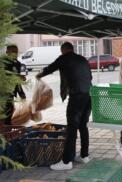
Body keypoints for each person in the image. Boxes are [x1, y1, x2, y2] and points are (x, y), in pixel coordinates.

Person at [36, 42, 92, 170]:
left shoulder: (64, 58)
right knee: (83, 126)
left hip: (77, 97)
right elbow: (90, 76)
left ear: (63, 50)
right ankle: (84, 156)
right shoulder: (82, 59)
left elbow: (50, 68)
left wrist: (38, 75)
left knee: (71, 128)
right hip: (88, 96)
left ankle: (67, 161)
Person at [0, 45, 26, 125]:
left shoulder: (18, 63)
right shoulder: (2, 63)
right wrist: (18, 77)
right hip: (2, 92)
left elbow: (17, 81)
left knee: (9, 113)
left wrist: (21, 93)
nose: (15, 54)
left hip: (11, 93)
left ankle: (6, 131)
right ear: (7, 52)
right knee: (3, 114)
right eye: (13, 51)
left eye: (16, 52)